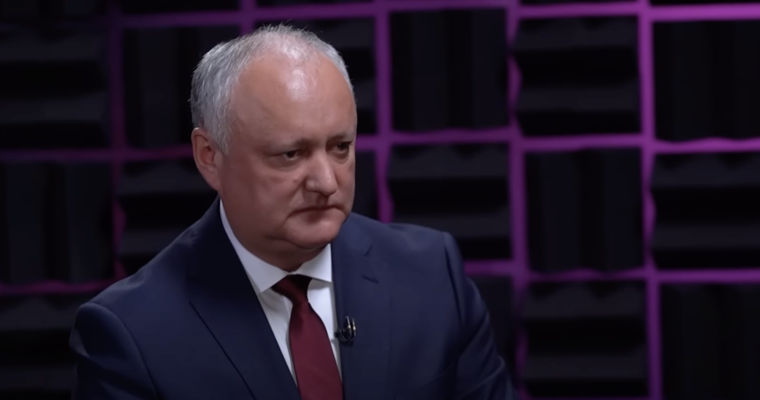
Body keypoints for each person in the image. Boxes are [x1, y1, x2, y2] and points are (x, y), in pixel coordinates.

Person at [70, 24, 516, 399]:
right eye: (291, 154)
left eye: (340, 148)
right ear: (210, 156)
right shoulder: (130, 334)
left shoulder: (433, 276)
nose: (326, 182)